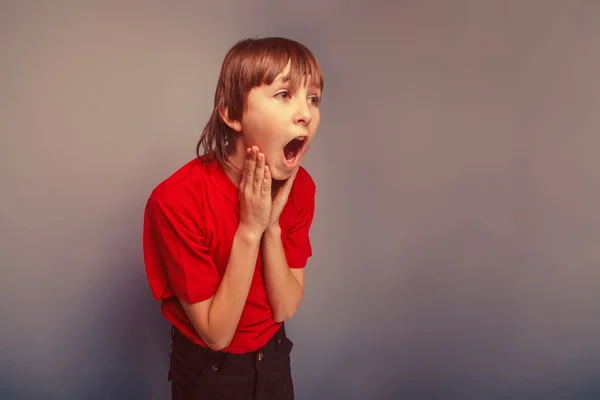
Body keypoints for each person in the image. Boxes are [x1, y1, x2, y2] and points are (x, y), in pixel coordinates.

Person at [142, 37, 323, 399]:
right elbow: (217, 334)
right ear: (232, 114)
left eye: (314, 98)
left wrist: (271, 226)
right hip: (210, 372)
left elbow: (286, 306)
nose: (305, 112)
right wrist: (251, 228)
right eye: (284, 94)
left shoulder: (300, 187)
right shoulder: (175, 200)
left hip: (272, 359)